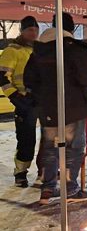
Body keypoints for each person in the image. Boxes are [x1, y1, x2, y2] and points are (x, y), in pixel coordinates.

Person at [25, 13, 87, 205]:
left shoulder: (38, 50)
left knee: (50, 148)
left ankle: (47, 189)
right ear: (70, 28)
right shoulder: (73, 48)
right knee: (73, 148)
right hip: (73, 107)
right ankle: (70, 189)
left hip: (47, 108)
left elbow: (29, 80)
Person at [0, 16, 39, 187]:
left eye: (36, 29)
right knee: (26, 139)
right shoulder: (12, 51)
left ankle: (47, 170)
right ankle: (21, 173)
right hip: (24, 102)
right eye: (30, 29)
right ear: (22, 31)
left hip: (42, 101)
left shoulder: (39, 50)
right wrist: (16, 97)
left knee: (49, 139)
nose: (34, 33)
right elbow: (1, 77)